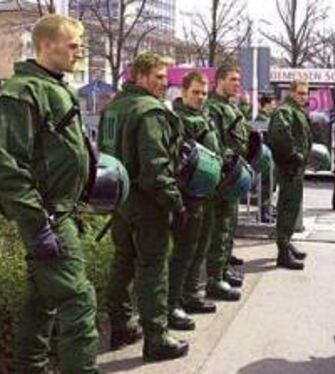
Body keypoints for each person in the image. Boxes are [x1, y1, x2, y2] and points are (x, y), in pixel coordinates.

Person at [0, 15, 100, 372]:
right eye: (73, 45)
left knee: (42, 300)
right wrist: (38, 225)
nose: (79, 52)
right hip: (48, 215)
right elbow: (5, 166)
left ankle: (29, 367)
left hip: (59, 212)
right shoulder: (23, 92)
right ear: (47, 45)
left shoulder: (51, 85)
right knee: (78, 299)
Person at [100, 52, 189, 361]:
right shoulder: (149, 111)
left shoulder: (112, 108)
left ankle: (121, 324)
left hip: (119, 197)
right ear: (139, 76)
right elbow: (155, 165)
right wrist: (174, 203)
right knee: (153, 266)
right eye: (158, 77)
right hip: (147, 201)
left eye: (165, 78)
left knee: (123, 260)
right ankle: (156, 336)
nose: (164, 83)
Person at [169, 71, 221, 317]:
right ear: (183, 91)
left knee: (200, 246)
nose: (200, 97)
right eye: (196, 93)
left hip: (206, 192)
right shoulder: (178, 119)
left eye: (204, 93)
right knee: (184, 251)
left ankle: (190, 294)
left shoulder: (202, 115)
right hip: (189, 193)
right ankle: (174, 302)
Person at [204, 64, 250, 299]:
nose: (236, 83)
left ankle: (222, 271)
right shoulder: (212, 109)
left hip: (232, 176)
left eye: (238, 79)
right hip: (222, 177)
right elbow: (215, 144)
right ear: (219, 81)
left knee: (228, 227)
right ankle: (214, 279)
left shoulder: (228, 107)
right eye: (232, 79)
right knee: (219, 229)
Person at [269, 79, 312, 271]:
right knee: (287, 208)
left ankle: (286, 243)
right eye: (301, 93)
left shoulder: (295, 110)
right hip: (290, 168)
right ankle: (283, 251)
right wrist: (293, 155)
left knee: (292, 207)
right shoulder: (285, 110)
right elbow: (279, 134)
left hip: (295, 167)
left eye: (306, 93)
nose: (304, 97)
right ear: (292, 92)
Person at [256, 94, 277, 222]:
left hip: (269, 157)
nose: (274, 106)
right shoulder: (261, 119)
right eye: (272, 103)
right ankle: (263, 212)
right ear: (267, 104)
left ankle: (267, 210)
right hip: (265, 157)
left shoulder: (267, 118)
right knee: (266, 185)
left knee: (270, 185)